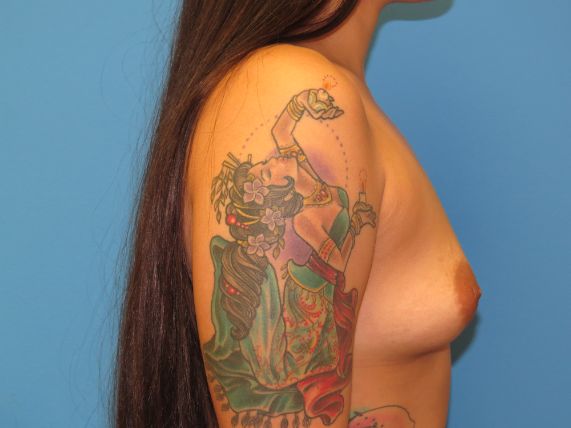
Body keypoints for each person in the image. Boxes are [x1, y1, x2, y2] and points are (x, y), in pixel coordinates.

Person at [114, 1, 482, 427]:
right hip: (310, 298)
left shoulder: (310, 125)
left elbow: (282, 133)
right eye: (267, 173)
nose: (270, 163)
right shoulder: (283, 83)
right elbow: (333, 260)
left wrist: (305, 104)